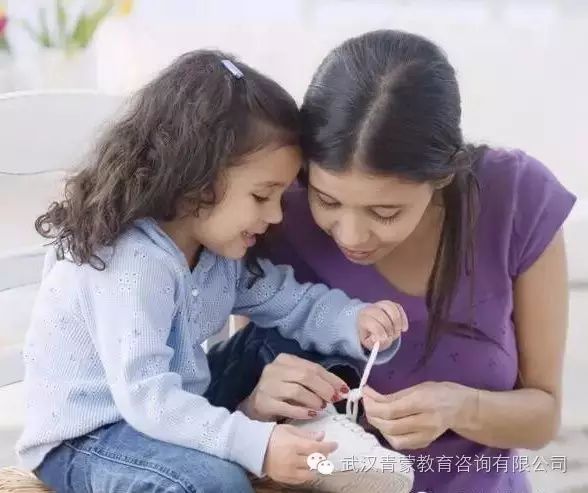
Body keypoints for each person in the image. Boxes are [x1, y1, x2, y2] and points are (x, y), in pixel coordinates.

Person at [16, 50, 407, 493]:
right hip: (93, 436)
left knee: (282, 338)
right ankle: (275, 446)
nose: (277, 215)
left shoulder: (216, 251)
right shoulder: (131, 263)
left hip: (177, 403)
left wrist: (354, 322)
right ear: (197, 182)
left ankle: (322, 439)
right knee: (213, 482)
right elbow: (148, 399)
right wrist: (256, 444)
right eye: (262, 196)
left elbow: (288, 300)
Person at [206, 30, 577, 492]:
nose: (352, 236)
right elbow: (245, 452)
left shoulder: (517, 199)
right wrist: (259, 410)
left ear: (442, 175)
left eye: (385, 212)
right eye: (326, 200)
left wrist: (457, 408)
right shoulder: (274, 212)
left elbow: (542, 417)